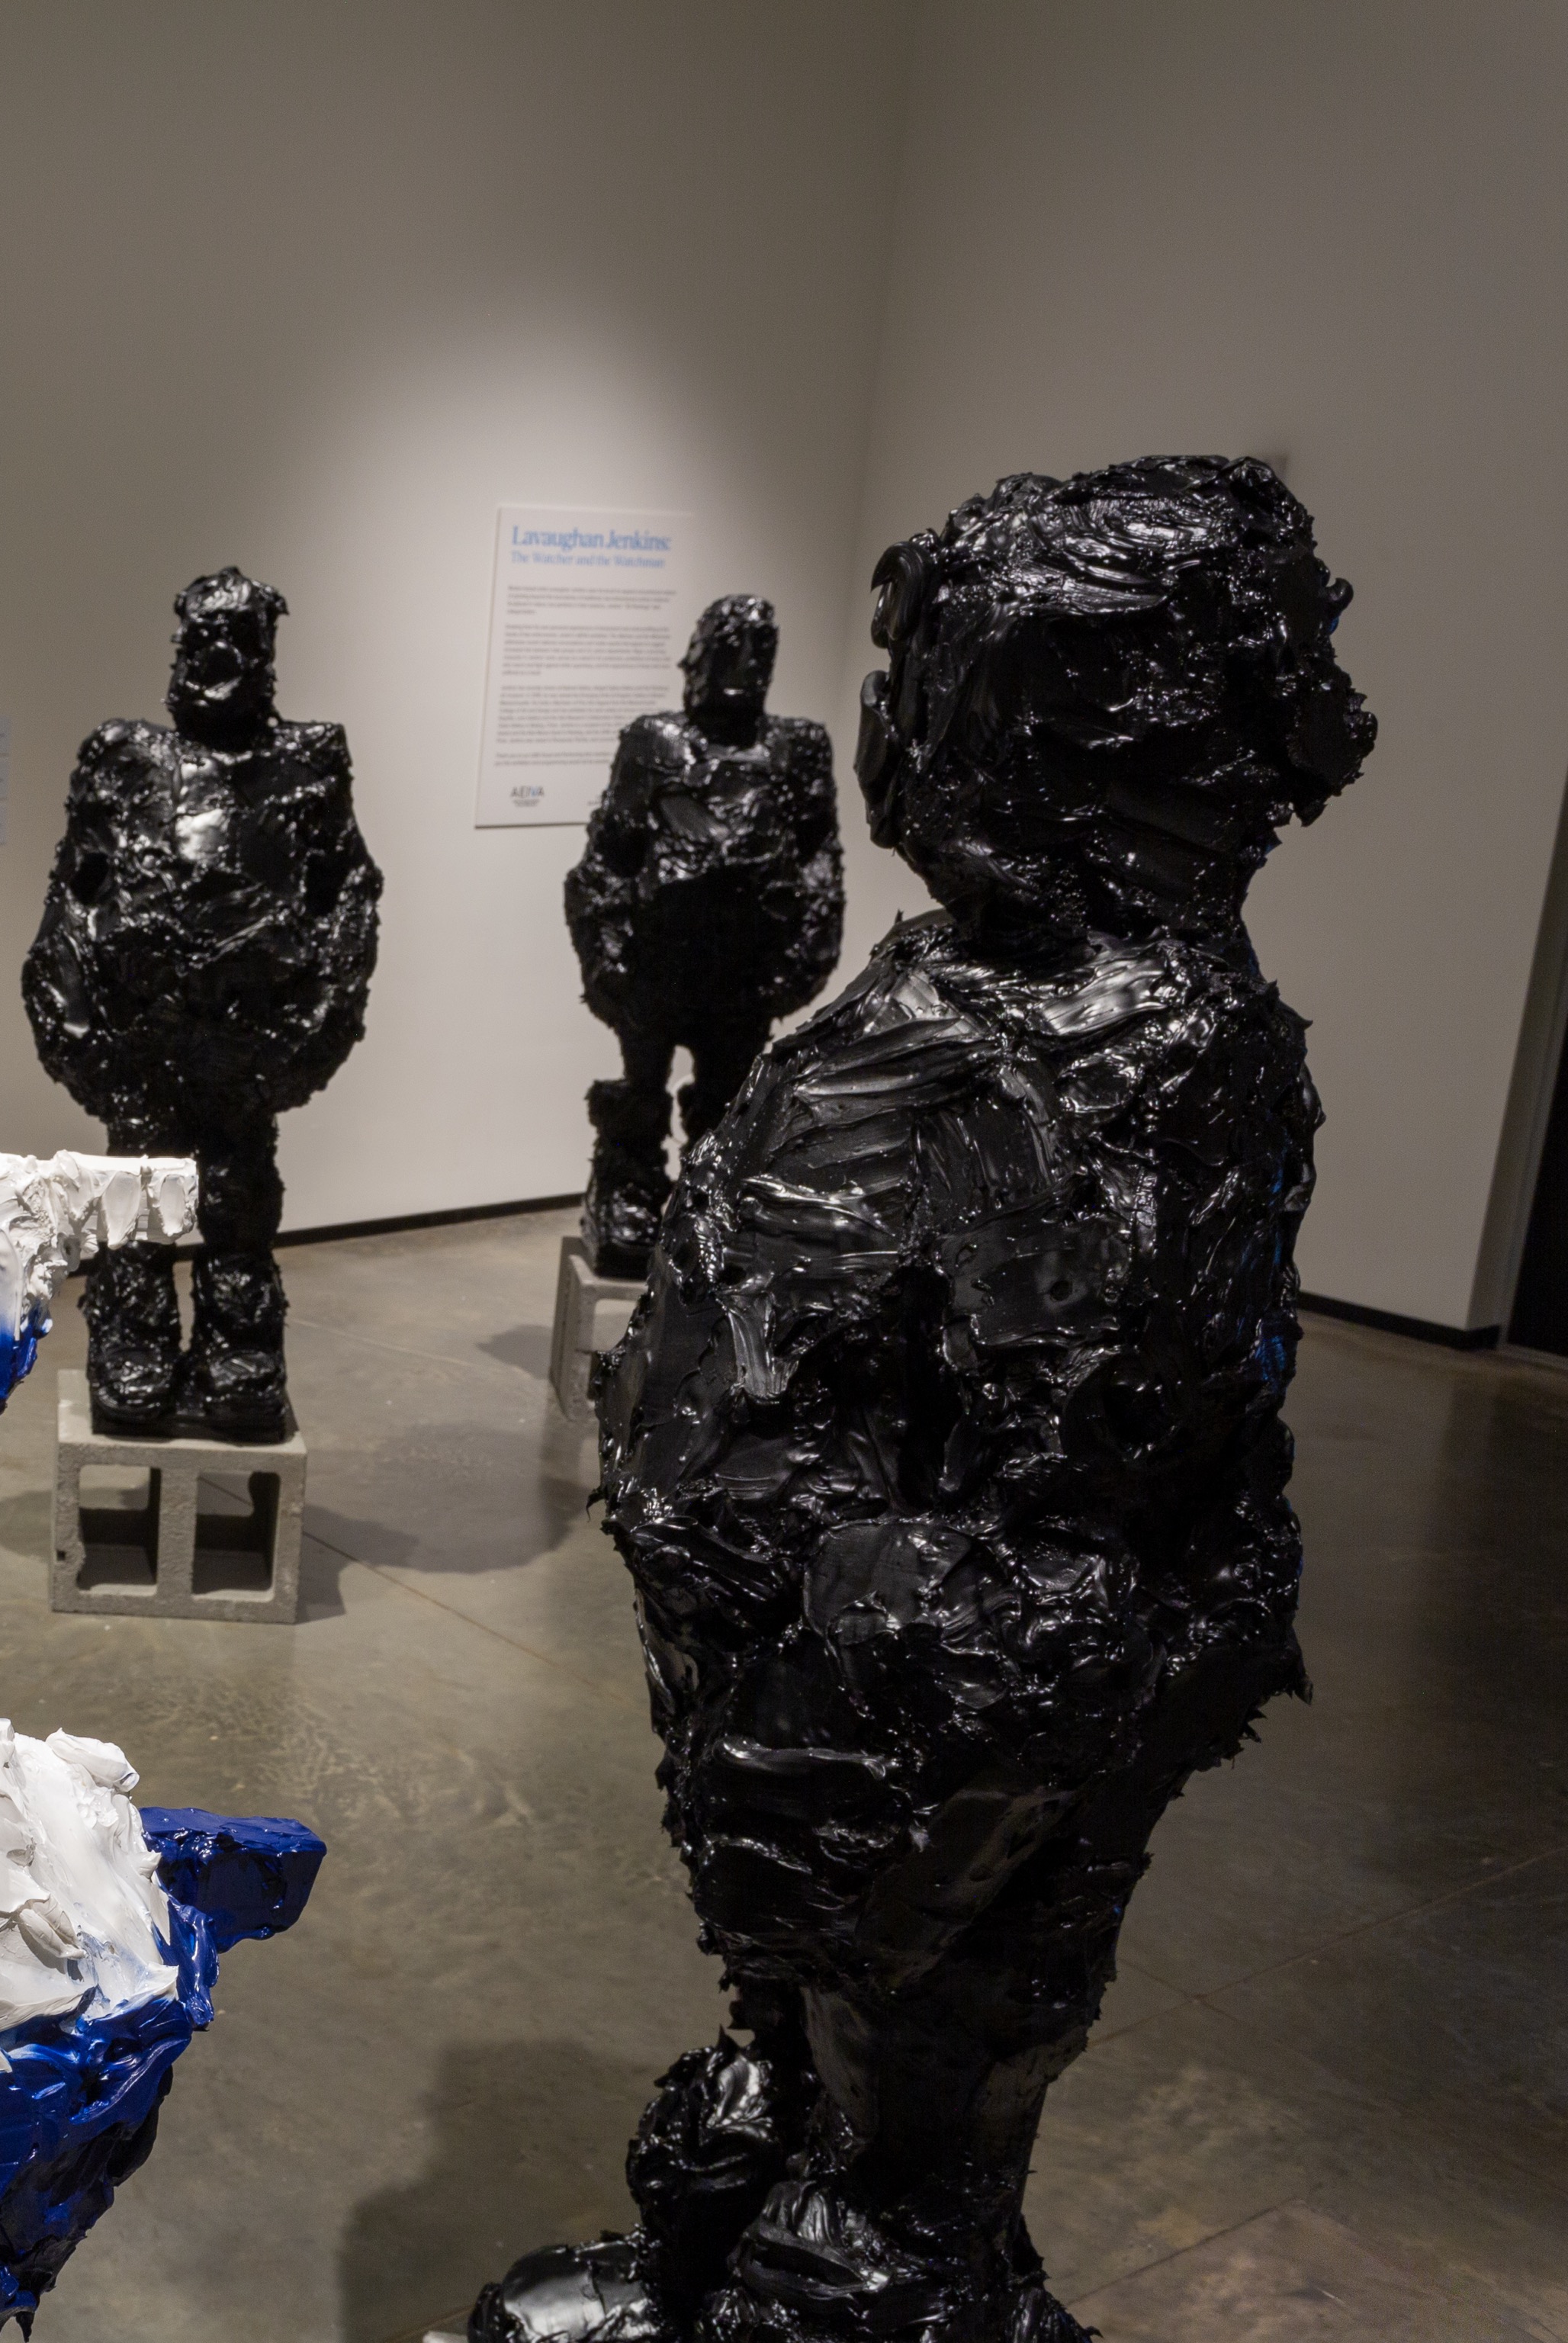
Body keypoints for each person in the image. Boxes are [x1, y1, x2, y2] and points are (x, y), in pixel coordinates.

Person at [472, 459, 1374, 2342]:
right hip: (791, 1699)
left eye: (955, 690)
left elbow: (1085, 1505)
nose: (905, 742)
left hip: (911, 1740)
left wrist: (869, 1729)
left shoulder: (1148, 1051)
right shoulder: (976, 988)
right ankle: (779, 2209)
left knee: (920, 2087)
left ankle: (891, 2266)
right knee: (809, 2039)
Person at [24, 567, 381, 1443]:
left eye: (240, 639)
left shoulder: (308, 762)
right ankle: (135, 1339)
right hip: (142, 1037)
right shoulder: (124, 756)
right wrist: (67, 1016)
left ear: (267, 651)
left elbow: (348, 895)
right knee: (137, 1194)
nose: (219, 655)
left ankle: (239, 1346)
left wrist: (320, 1020)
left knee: (239, 1193)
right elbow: (73, 895)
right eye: (204, 638)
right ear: (181, 645)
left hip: (247, 1041)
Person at [565, 593, 842, 1278]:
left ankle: (712, 1202)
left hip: (746, 966)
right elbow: (609, 854)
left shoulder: (797, 746)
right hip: (656, 959)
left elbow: (818, 857)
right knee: (642, 1085)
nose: (739, 667)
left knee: (729, 1100)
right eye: (725, 649)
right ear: (697, 657)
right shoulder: (654, 741)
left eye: (756, 651)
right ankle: (628, 1188)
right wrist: (604, 950)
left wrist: (809, 953)